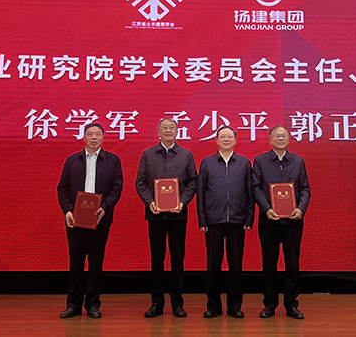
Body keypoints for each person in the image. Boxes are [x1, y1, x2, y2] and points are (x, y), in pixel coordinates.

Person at [56, 122, 123, 319]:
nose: (94, 138)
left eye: (98, 134)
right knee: (75, 262)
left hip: (100, 218)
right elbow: (62, 189)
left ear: (103, 137)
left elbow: (116, 188)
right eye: (90, 134)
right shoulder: (72, 160)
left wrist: (104, 208)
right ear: (84, 137)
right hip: (75, 219)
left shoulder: (113, 160)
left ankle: (93, 304)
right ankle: (73, 304)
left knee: (96, 262)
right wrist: (68, 210)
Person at [135, 118, 198, 318]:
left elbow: (193, 182)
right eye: (165, 128)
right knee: (157, 260)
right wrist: (150, 202)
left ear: (177, 132)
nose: (169, 130)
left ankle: (177, 303)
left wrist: (183, 202)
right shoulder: (148, 154)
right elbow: (140, 182)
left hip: (178, 215)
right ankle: (156, 303)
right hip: (155, 215)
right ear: (158, 132)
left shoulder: (186, 155)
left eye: (172, 128)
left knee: (177, 259)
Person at [252, 125, 311, 320]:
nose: (280, 138)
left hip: (293, 221)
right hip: (269, 221)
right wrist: (266, 209)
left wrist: (300, 208)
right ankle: (269, 304)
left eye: (284, 135)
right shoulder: (260, 160)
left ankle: (291, 305)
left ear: (289, 139)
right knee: (269, 264)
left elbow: (305, 189)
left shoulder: (297, 161)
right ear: (269, 139)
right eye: (276, 135)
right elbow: (256, 188)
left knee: (292, 264)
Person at [197, 126, 254, 319]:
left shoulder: (244, 163)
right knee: (213, 265)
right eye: (223, 136)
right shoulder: (207, 163)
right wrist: (202, 219)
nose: (226, 139)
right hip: (213, 220)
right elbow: (201, 193)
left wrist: (249, 217)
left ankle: (234, 306)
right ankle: (213, 306)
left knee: (235, 265)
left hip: (237, 221)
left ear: (235, 140)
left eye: (230, 136)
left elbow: (249, 192)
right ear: (217, 140)